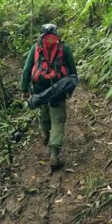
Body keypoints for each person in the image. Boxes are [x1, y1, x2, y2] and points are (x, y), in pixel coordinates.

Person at [20, 23, 77, 171]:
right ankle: (54, 155)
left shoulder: (36, 47)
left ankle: (45, 134)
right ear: (57, 33)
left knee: (43, 111)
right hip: (58, 89)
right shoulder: (63, 48)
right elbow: (72, 71)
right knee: (58, 120)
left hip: (39, 89)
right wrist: (70, 89)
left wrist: (24, 89)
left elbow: (27, 69)